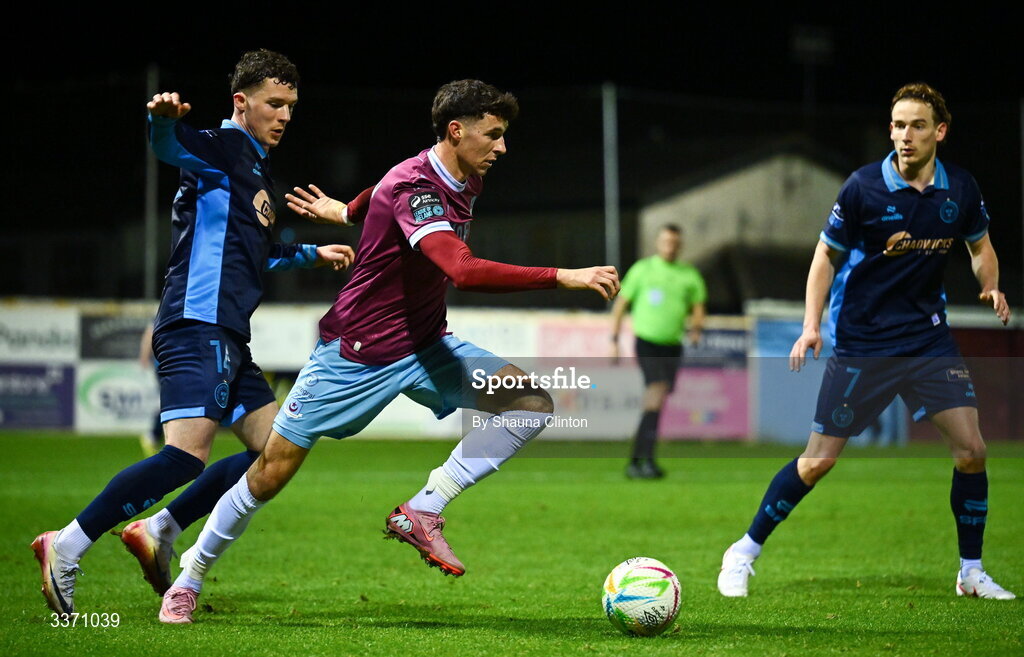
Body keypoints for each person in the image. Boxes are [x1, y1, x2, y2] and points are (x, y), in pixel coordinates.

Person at [156, 79, 621, 624]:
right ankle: (188, 575)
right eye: (492, 135)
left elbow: (383, 192)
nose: (501, 148)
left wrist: (347, 210)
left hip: (428, 345)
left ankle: (424, 508)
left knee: (531, 404)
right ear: (456, 130)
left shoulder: (460, 177)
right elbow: (462, 270)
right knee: (271, 470)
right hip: (357, 352)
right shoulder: (416, 186)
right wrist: (564, 275)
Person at [31, 49, 357, 615]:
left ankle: (158, 528)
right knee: (186, 457)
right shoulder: (221, 146)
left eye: (291, 106)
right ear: (241, 102)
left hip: (229, 334)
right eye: (273, 104)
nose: (284, 115)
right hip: (196, 322)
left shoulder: (254, 166)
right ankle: (67, 543)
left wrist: (310, 253)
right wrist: (161, 121)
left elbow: (252, 253)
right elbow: (169, 147)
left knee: (276, 448)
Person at [717, 82, 1015, 600]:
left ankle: (971, 571)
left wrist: (989, 283)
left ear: (939, 132)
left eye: (917, 125)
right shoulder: (861, 188)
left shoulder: (960, 189)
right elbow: (824, 258)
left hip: (927, 340)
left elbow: (980, 245)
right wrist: (812, 325)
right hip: (864, 343)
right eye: (897, 124)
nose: (904, 135)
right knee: (818, 462)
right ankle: (743, 550)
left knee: (972, 451)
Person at [610, 224, 706, 479]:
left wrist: (697, 328)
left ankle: (638, 462)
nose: (670, 246)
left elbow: (698, 305)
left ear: (679, 245)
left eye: (674, 242)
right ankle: (644, 461)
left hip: (673, 345)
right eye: (666, 241)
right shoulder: (643, 269)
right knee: (656, 391)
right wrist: (613, 339)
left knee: (657, 400)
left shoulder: (688, 274)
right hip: (647, 342)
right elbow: (621, 304)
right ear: (658, 242)